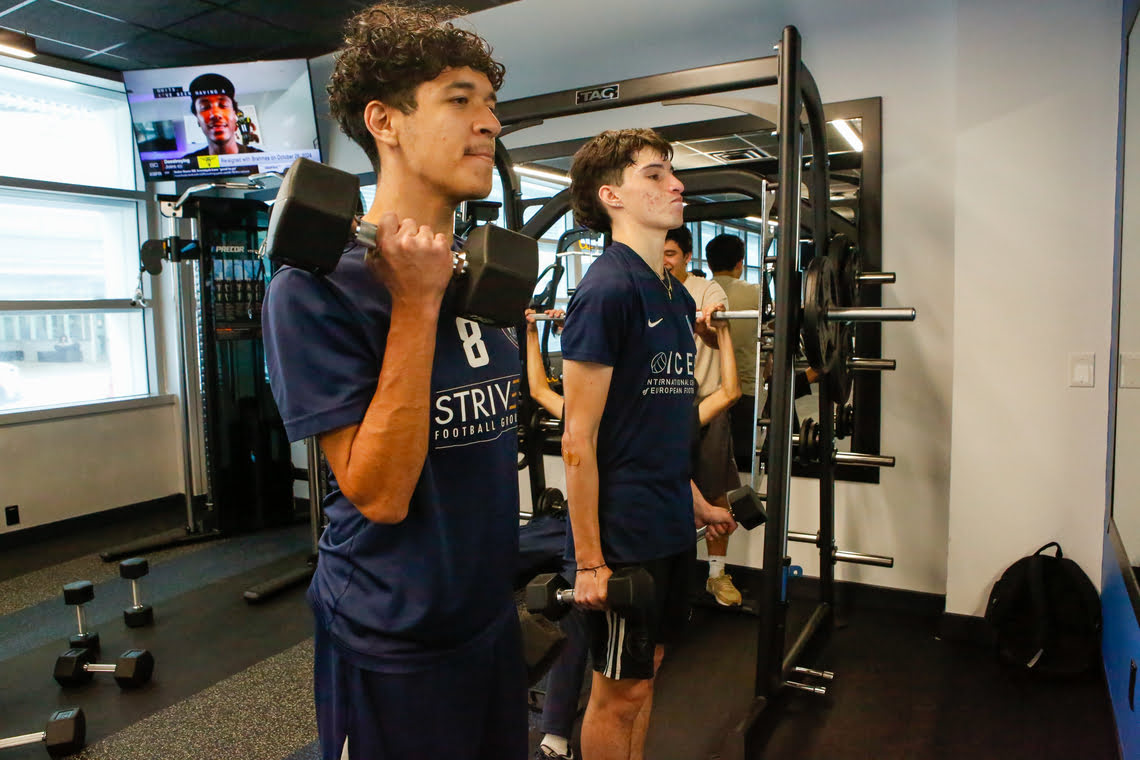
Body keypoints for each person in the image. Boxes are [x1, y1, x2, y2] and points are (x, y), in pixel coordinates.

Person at [260, 6, 525, 759]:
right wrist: (414, 302)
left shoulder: (479, 279)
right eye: (460, 99)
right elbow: (378, 493)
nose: (490, 123)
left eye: (491, 105)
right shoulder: (313, 288)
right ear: (386, 121)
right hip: (393, 639)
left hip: (486, 619)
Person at [559, 127, 736, 760]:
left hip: (664, 524)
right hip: (621, 535)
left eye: (673, 173)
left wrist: (694, 501)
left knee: (649, 670)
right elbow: (578, 437)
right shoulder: (607, 290)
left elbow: (653, 424)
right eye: (655, 175)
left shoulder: (669, 291)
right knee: (617, 695)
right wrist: (588, 561)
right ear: (612, 195)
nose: (676, 185)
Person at [524, 306, 740, 760]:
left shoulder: (652, 415)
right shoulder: (589, 413)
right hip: (599, 542)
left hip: (647, 538)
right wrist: (530, 330)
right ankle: (555, 735)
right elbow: (540, 389)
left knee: (640, 672)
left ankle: (558, 736)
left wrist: (699, 504)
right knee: (593, 661)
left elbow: (667, 458)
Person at [664, 226, 743, 607]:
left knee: (715, 494)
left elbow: (716, 333)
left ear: (687, 258)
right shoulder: (648, 288)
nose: (665, 261)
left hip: (705, 404)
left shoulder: (706, 290)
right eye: (659, 253)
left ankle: (716, 575)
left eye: (671, 254)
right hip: (663, 411)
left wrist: (711, 327)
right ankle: (669, 576)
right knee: (666, 489)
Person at [706, 233, 817, 472]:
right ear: (740, 263)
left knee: (712, 465)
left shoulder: (700, 292)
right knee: (745, 465)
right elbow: (783, 325)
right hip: (744, 393)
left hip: (706, 396)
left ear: (708, 263)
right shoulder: (756, 294)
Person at [183, 73, 263, 157]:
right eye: (205, 107)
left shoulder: (262, 159)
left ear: (235, 114)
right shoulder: (187, 165)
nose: (215, 114)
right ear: (197, 119)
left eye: (223, 105)